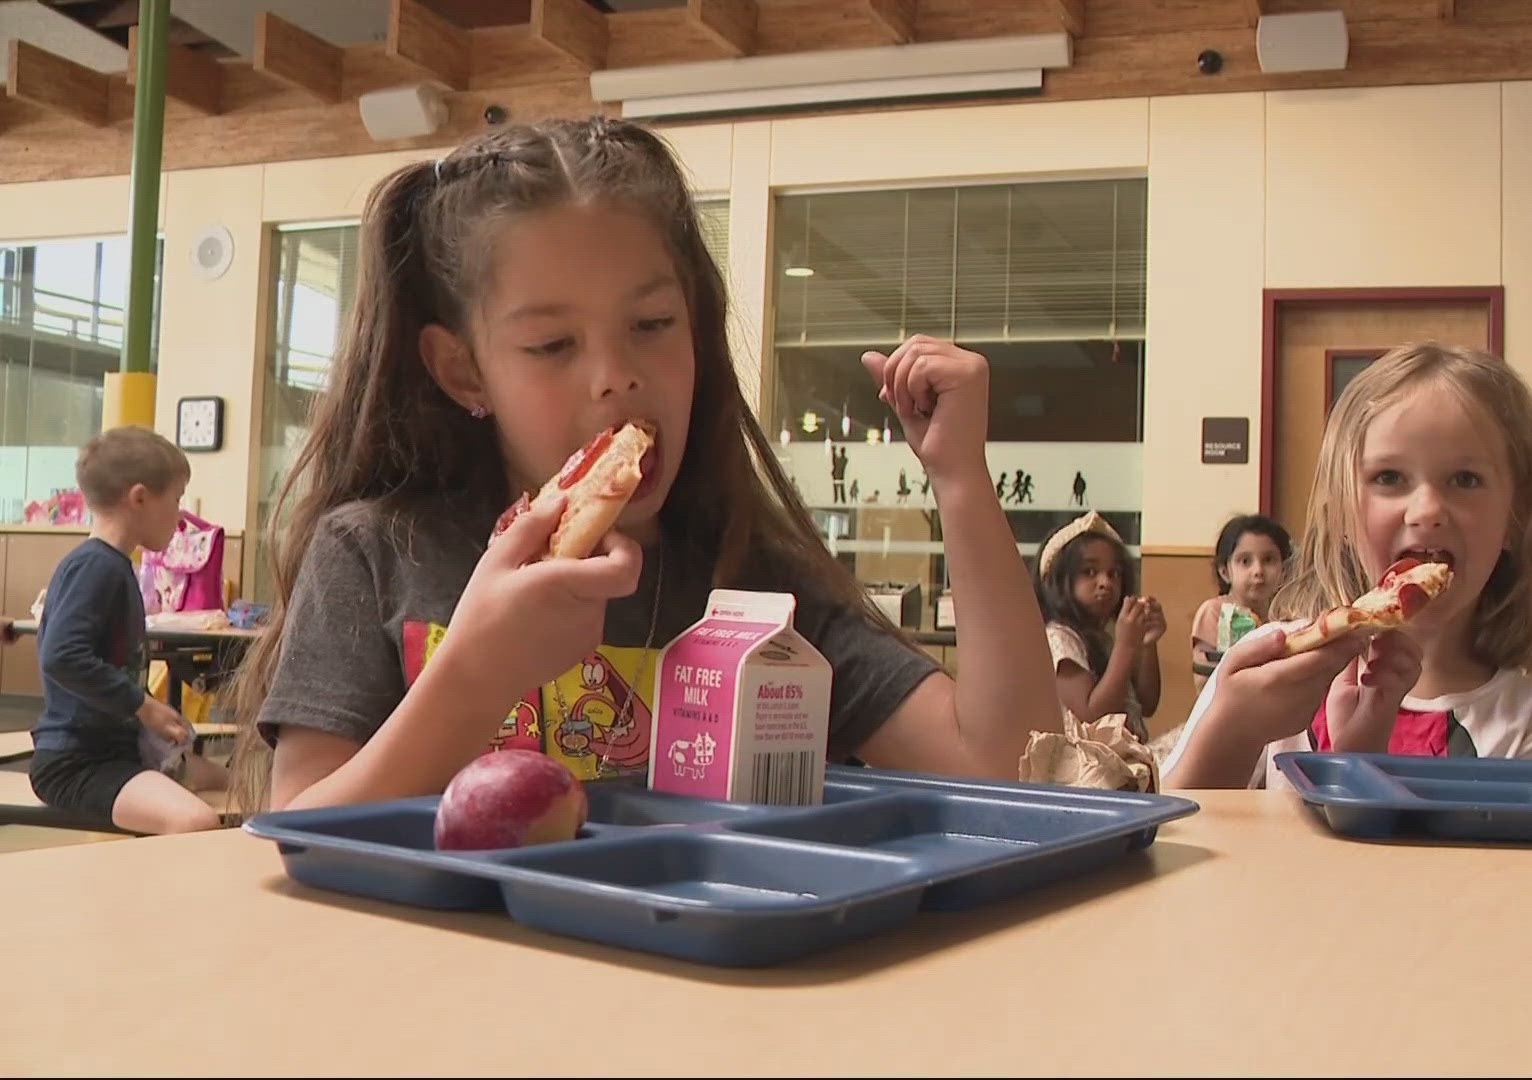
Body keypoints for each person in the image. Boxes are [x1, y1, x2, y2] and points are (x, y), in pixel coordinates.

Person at [225, 117, 1058, 812]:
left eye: (653, 324)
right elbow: (296, 827)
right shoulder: (376, 552)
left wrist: (960, 482)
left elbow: (1005, 766)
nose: (615, 376)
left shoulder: (757, 588)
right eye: (553, 344)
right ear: (463, 371)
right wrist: (474, 679)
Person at [1165, 343, 1532, 788]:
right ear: (1342, 513)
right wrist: (1235, 728)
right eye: (1389, 477)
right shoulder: (1265, 670)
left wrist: (1358, 771)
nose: (1426, 510)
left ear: (1515, 517)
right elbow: (1174, 837)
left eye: (1465, 479)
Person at [30, 427, 227, 833]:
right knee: (196, 821)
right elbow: (62, 656)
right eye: (176, 499)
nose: (180, 516)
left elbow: (109, 664)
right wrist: (144, 705)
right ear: (139, 498)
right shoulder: (96, 567)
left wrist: (153, 714)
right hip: (77, 762)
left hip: (120, 750)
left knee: (238, 785)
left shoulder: (113, 566)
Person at [1033, 511, 1162, 743]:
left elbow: (1147, 704)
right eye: (1089, 572)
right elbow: (1092, 717)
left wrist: (1147, 644)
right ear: (1056, 580)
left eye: (1114, 574)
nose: (1106, 582)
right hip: (1091, 768)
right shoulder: (1059, 638)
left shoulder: (1107, 636)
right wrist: (1126, 645)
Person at [1190, 514, 1292, 687]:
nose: (1258, 570)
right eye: (1245, 561)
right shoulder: (1214, 612)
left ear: (1284, 568)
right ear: (1225, 571)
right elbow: (1203, 681)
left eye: (1269, 560)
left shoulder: (1286, 616)